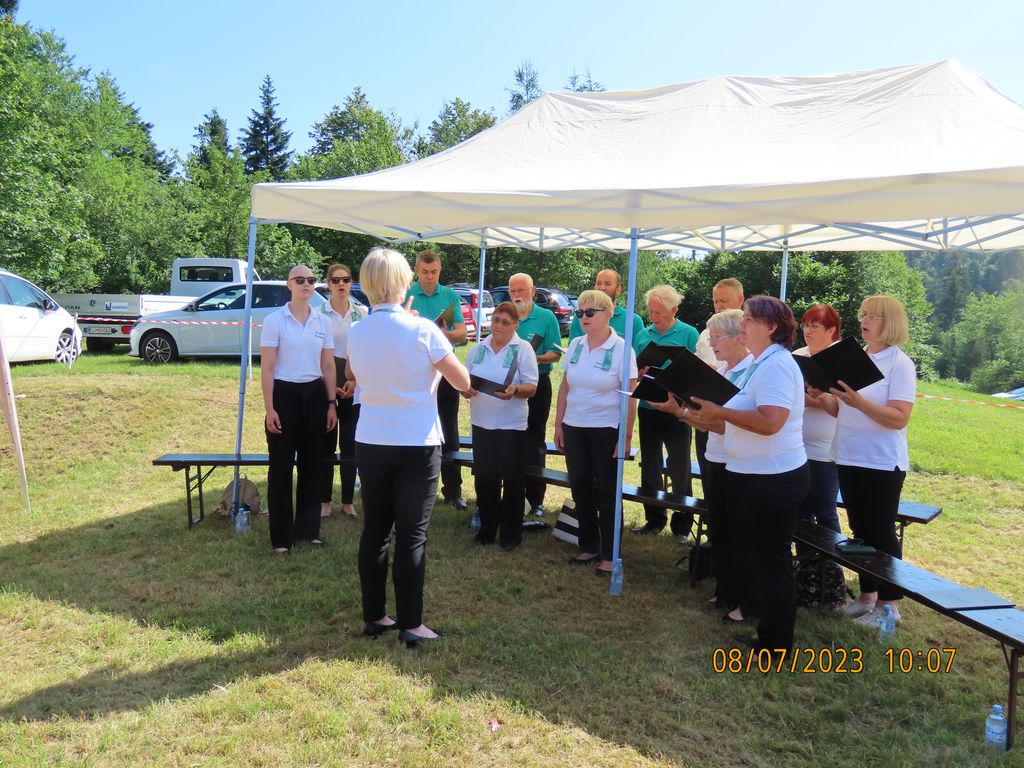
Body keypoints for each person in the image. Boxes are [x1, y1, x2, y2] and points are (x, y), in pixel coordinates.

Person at [348, 247, 471, 647]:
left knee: (375, 532)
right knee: (412, 536)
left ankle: (374, 616)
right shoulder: (423, 330)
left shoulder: (357, 329)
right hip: (415, 440)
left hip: (371, 438)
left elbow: (360, 372)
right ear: (404, 282)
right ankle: (412, 625)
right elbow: (463, 381)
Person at [682, 296, 808, 654]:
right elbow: (729, 423)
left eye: (749, 320)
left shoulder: (776, 366)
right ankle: (768, 633)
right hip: (752, 473)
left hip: (773, 477)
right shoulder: (759, 363)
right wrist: (689, 413)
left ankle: (776, 643)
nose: (742, 326)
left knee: (773, 561)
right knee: (762, 559)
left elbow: (771, 421)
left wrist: (720, 411)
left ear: (772, 327)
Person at [653, 309, 751, 616]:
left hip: (742, 463)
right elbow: (709, 423)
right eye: (709, 337)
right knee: (720, 526)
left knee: (739, 530)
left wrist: (694, 416)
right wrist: (678, 411)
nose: (711, 343)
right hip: (717, 457)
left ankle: (743, 598)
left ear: (740, 337)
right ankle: (726, 590)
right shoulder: (722, 372)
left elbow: (728, 424)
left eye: (716, 337)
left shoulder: (751, 372)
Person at [830, 296, 916, 627]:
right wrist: (823, 399)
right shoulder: (857, 357)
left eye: (874, 316)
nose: (865, 320)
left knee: (880, 531)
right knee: (860, 531)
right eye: (863, 314)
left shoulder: (900, 364)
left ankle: (890, 607)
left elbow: (899, 418)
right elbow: (843, 409)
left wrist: (859, 402)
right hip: (849, 454)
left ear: (890, 323)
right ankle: (867, 597)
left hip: (881, 462)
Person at [554, 290, 638, 576]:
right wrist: (558, 424)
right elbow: (565, 386)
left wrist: (625, 438)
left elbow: (631, 396)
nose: (584, 318)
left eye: (590, 313)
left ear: (608, 313)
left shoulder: (623, 349)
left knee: (607, 492)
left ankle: (609, 553)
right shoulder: (575, 344)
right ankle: (588, 545)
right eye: (579, 313)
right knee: (580, 487)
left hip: (605, 429)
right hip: (575, 426)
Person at [261, 264, 338, 553]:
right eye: (300, 280)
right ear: (289, 285)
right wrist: (270, 408)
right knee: (280, 467)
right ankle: (281, 537)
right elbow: (267, 367)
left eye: (311, 280)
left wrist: (331, 403)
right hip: (284, 393)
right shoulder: (274, 320)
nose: (307, 284)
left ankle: (308, 530)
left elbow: (328, 366)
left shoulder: (323, 321)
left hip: (315, 395)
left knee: (312, 465)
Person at [462, 301, 539, 550]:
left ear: (515, 326)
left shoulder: (522, 349)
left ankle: (510, 534)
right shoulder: (479, 348)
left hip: (511, 425)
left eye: (505, 322)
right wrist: (466, 388)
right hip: (481, 422)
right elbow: (464, 380)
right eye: (495, 320)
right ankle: (486, 529)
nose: (498, 326)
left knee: (513, 479)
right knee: (485, 478)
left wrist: (515, 389)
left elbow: (532, 386)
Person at [631, 284, 699, 536]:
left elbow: (697, 371)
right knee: (650, 464)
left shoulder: (689, 334)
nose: (654, 316)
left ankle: (682, 525)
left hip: (676, 409)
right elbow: (634, 371)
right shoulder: (643, 334)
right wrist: (638, 373)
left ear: (675, 310)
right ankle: (654, 519)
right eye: (651, 311)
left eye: (660, 312)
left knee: (679, 466)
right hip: (648, 406)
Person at [405, 250, 468, 511]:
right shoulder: (406, 295)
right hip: (415, 373)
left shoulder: (450, 295)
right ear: (416, 272)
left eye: (434, 272)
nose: (430, 277)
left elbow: (463, 334)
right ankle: (415, 487)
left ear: (440, 271)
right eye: (425, 272)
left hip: (444, 371)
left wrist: (440, 333)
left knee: (449, 431)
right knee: (415, 430)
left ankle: (453, 491)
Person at [507, 273, 563, 517]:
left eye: (522, 290)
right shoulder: (506, 314)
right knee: (510, 440)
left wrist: (531, 358)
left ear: (533, 290)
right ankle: (512, 493)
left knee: (534, 441)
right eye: (513, 291)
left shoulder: (546, 316)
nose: (517, 296)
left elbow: (556, 352)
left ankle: (535, 499)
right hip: (509, 384)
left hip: (538, 383)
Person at [793, 304, 842, 540]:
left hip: (827, 449)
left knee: (825, 511)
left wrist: (811, 398)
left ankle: (831, 571)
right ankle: (807, 568)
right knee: (801, 511)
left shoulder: (841, 357)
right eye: (805, 326)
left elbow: (845, 404)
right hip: (797, 445)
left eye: (815, 326)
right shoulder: (800, 355)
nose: (808, 331)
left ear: (832, 329)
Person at [320, 262, 363, 519]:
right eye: (335, 280)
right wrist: (330, 385)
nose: (341, 285)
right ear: (328, 283)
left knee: (350, 446)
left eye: (345, 280)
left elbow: (366, 351)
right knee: (325, 445)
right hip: (325, 383)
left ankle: (347, 501)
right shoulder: (319, 313)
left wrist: (354, 380)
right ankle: (325, 501)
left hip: (353, 386)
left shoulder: (362, 313)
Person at [692, 279, 745, 482]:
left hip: (732, 418)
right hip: (702, 410)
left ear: (740, 299)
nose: (719, 305)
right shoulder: (706, 332)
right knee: (707, 472)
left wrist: (717, 371)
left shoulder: (747, 332)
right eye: (715, 301)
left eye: (724, 300)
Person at [567, 269, 646, 341]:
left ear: (618, 289)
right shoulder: (581, 317)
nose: (602, 288)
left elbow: (638, 354)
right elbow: (574, 352)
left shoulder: (633, 320)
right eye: (598, 283)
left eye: (608, 284)